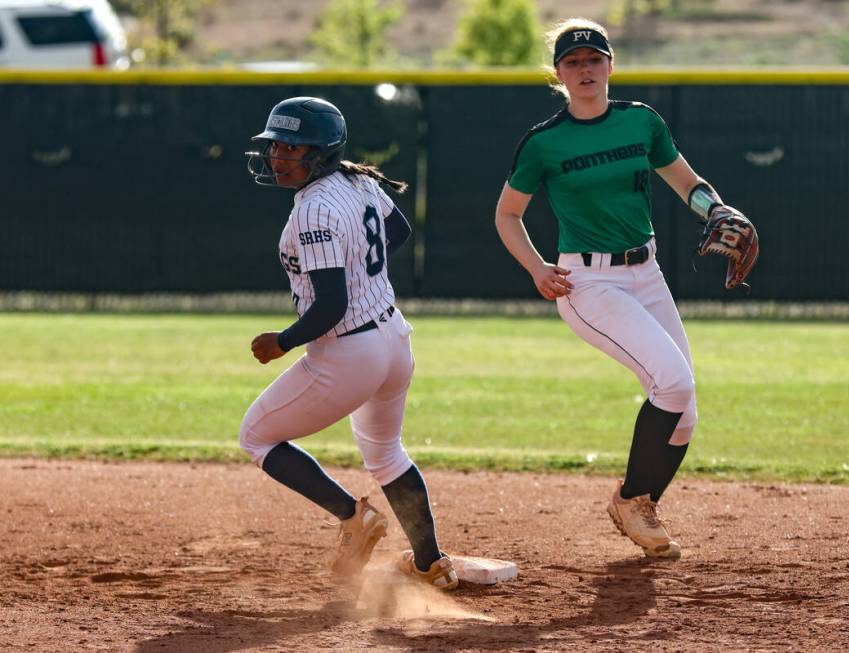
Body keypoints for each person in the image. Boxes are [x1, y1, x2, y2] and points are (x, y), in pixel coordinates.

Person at [495, 19, 756, 559]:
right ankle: (635, 498)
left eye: (594, 59)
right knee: (673, 382)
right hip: (586, 281)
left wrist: (717, 209)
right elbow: (507, 214)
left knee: (684, 412)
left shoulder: (641, 122)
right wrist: (536, 268)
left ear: (610, 65)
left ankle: (635, 504)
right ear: (559, 74)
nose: (585, 69)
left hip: (647, 272)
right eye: (573, 62)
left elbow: (687, 181)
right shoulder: (545, 142)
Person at [240, 96, 458, 590]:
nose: (277, 156)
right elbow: (397, 230)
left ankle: (353, 518)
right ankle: (431, 563)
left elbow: (331, 305)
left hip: (348, 350)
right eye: (275, 145)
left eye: (290, 147)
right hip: (394, 339)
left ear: (319, 152)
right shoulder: (358, 182)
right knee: (385, 452)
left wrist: (284, 340)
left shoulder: (314, 208)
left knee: (256, 436)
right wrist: (362, 266)